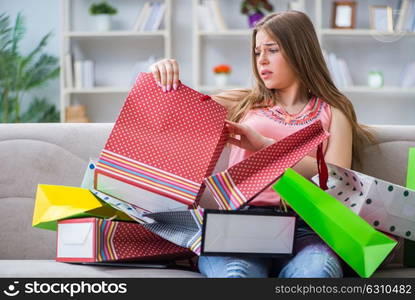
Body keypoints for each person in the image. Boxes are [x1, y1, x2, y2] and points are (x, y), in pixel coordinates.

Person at [149, 10, 374, 278]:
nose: (262, 61)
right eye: (257, 53)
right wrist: (160, 74)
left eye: (272, 50)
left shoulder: (333, 111)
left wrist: (267, 147)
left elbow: (337, 179)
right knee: (237, 274)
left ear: (300, 51)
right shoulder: (243, 102)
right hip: (241, 225)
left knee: (318, 272)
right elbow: (169, 114)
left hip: (307, 227)